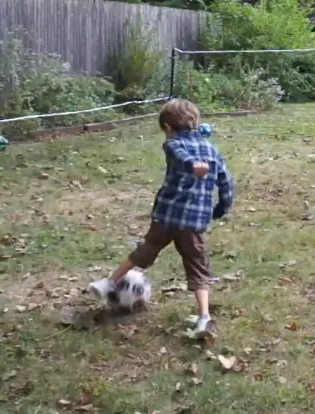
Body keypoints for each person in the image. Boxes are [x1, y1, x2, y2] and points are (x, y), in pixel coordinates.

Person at [97, 99, 233, 339]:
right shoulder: (212, 151)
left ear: (167, 128)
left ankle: (109, 283)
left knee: (145, 251)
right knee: (198, 267)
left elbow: (180, 154)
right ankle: (204, 317)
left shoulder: (172, 145)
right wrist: (222, 207)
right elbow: (226, 183)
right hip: (193, 223)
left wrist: (192, 165)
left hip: (166, 217)